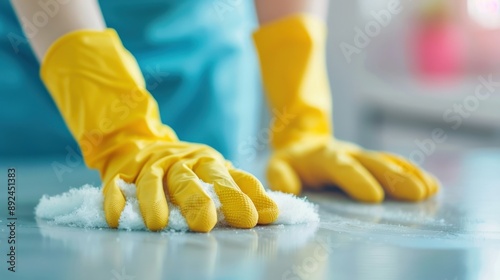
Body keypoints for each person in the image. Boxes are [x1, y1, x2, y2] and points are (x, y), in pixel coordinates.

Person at [5, 0, 439, 232]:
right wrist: (119, 127)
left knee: (212, 213)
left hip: (201, 58)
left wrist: (301, 117)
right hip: (41, 47)